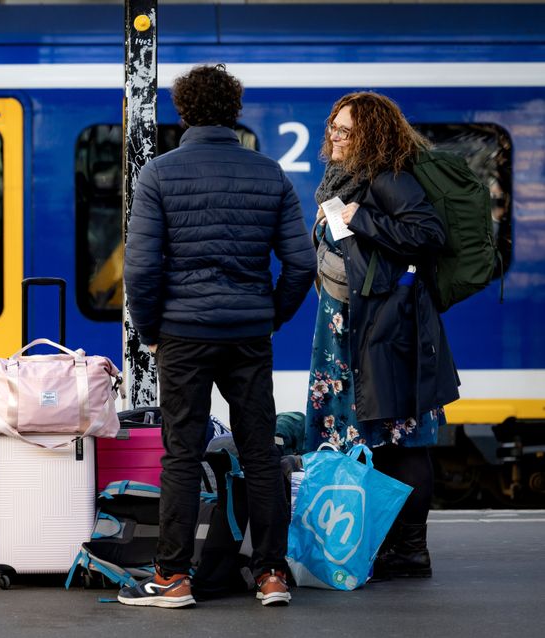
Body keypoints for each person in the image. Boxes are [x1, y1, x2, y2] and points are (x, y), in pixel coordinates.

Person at [122, 63, 316, 608]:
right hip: (249, 334)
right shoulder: (270, 174)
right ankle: (271, 573)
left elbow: (140, 270)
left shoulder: (158, 174)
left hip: (183, 334)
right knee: (260, 452)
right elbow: (300, 264)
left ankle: (174, 576)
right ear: (235, 110)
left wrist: (152, 329)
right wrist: (270, 315)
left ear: (183, 111)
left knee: (181, 455)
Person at [305, 92, 461, 579]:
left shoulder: (388, 179)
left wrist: (361, 219)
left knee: (402, 437)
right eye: (333, 126)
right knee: (368, 437)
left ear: (369, 136)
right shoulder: (344, 181)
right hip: (351, 330)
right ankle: (379, 543)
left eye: (346, 130)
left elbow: (429, 234)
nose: (335, 135)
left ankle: (410, 550)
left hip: (385, 332)